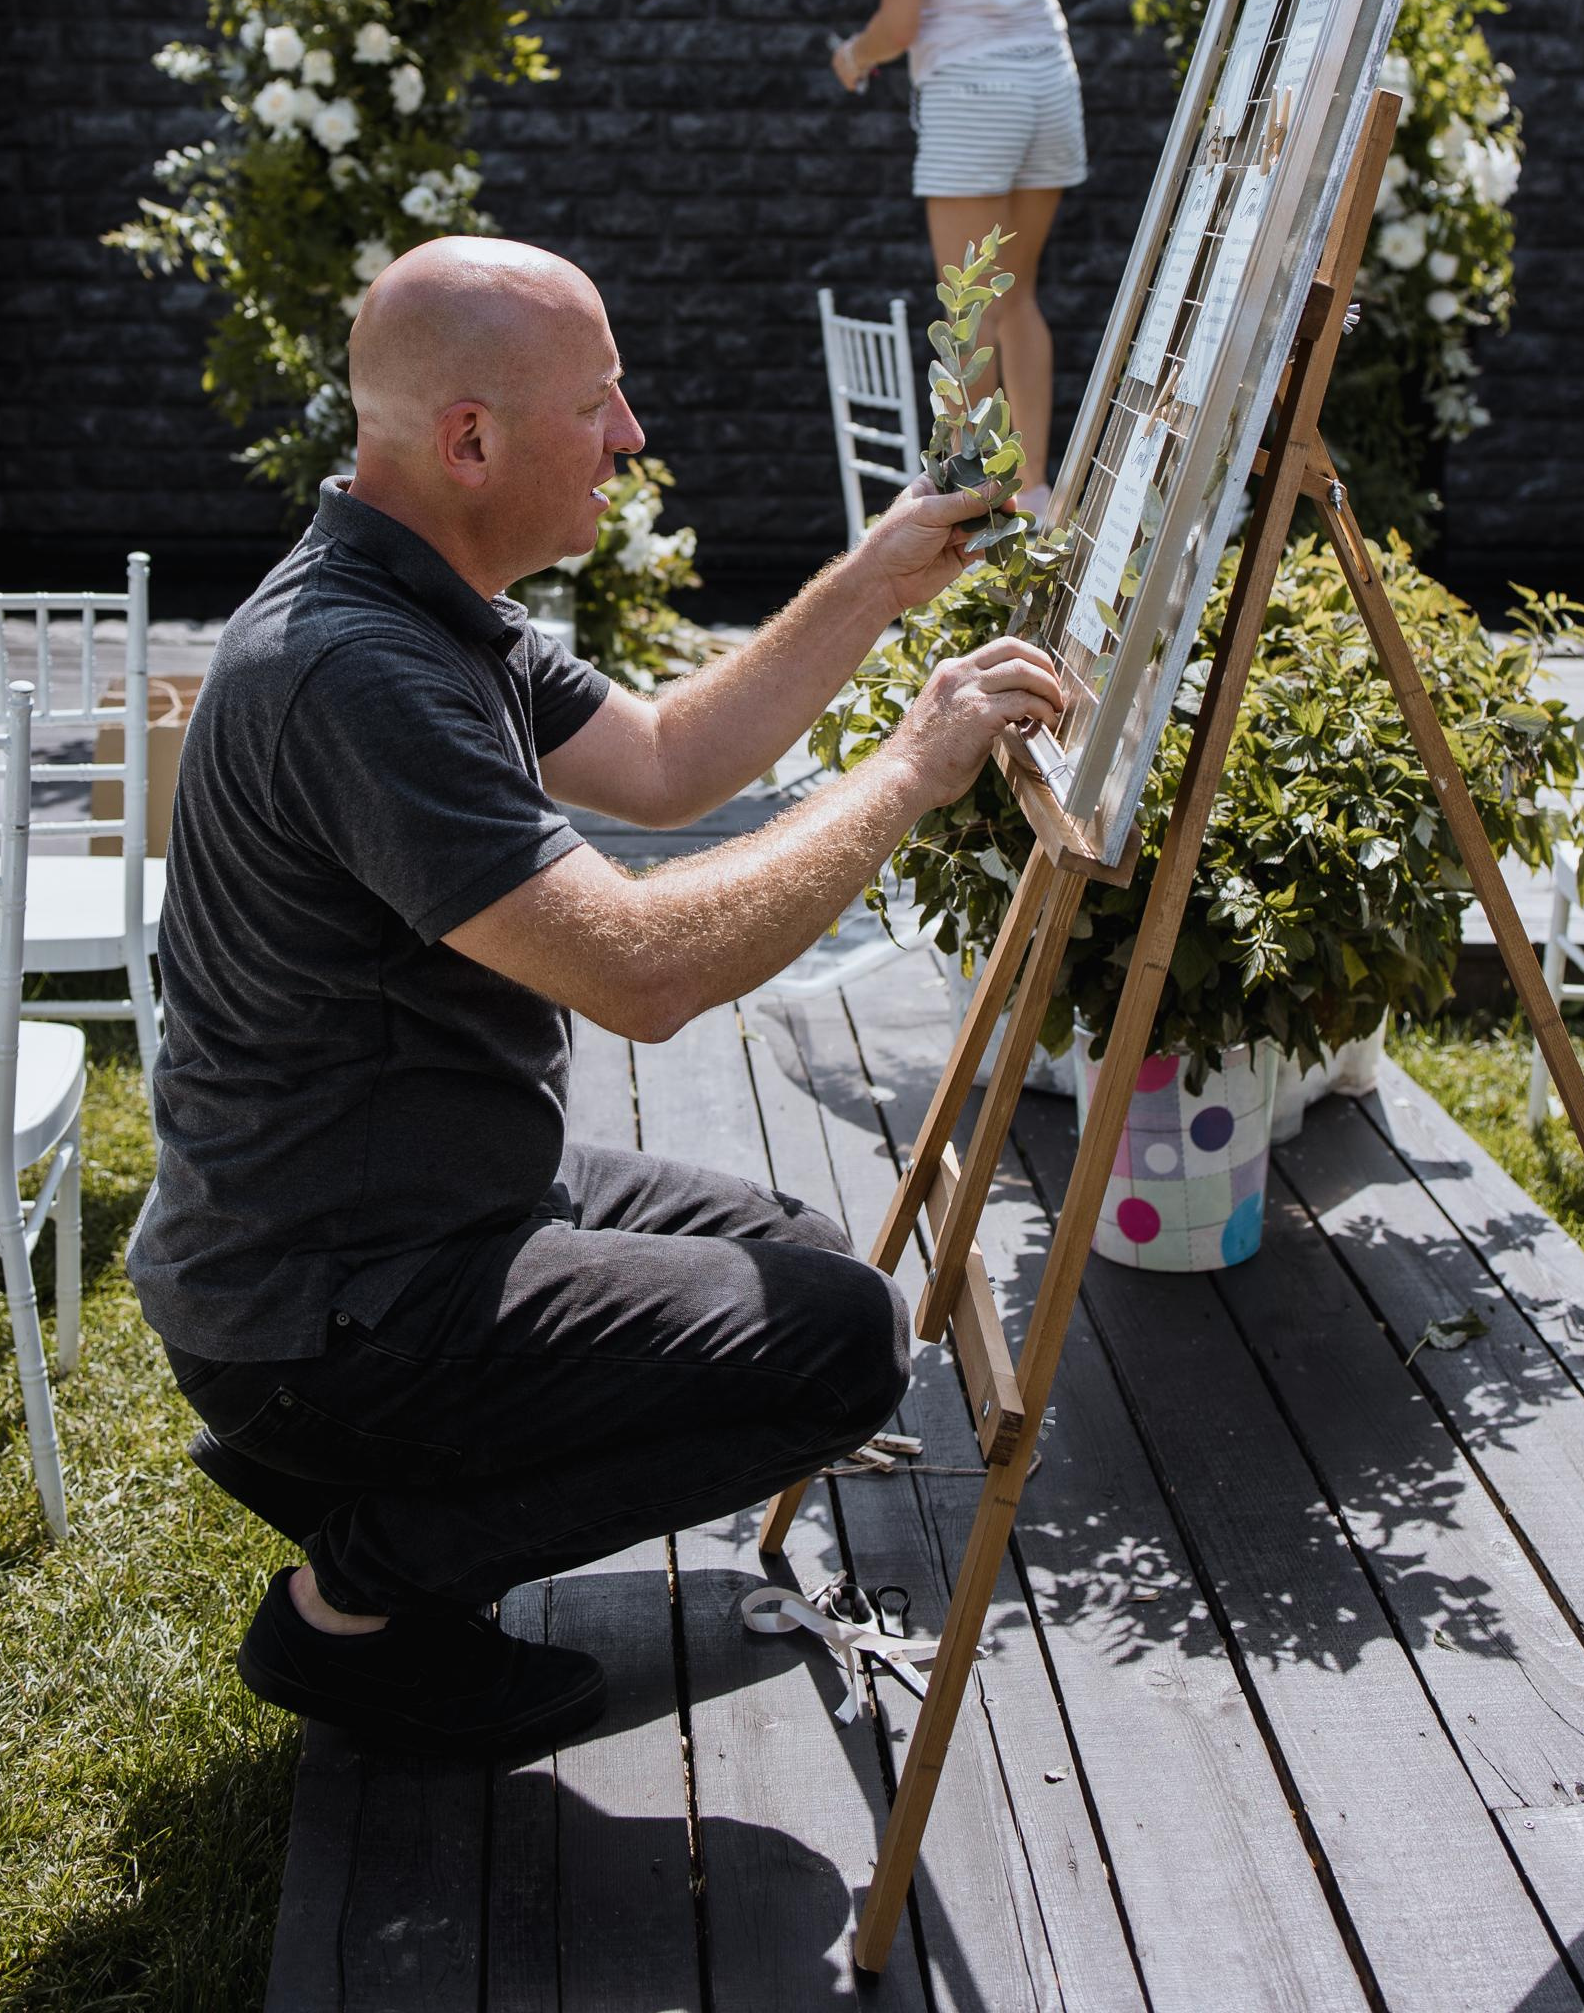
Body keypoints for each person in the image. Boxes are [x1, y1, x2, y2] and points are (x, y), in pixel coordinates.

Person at [125, 235, 1065, 1762]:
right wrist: (912, 764)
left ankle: (387, 1501)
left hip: (418, 1203)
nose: (632, 439)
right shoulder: (357, 674)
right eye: (600, 405)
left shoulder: (425, 599)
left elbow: (665, 759)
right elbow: (645, 972)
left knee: (799, 1265)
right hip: (322, 1306)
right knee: (839, 1343)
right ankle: (354, 1599)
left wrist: (881, 581)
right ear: (470, 441)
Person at [831, 0, 1088, 514]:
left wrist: (852, 56)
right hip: (1049, 82)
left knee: (963, 313)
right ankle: (1035, 487)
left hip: (973, 96)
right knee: (1018, 296)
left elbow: (899, 24)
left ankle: (965, 503)